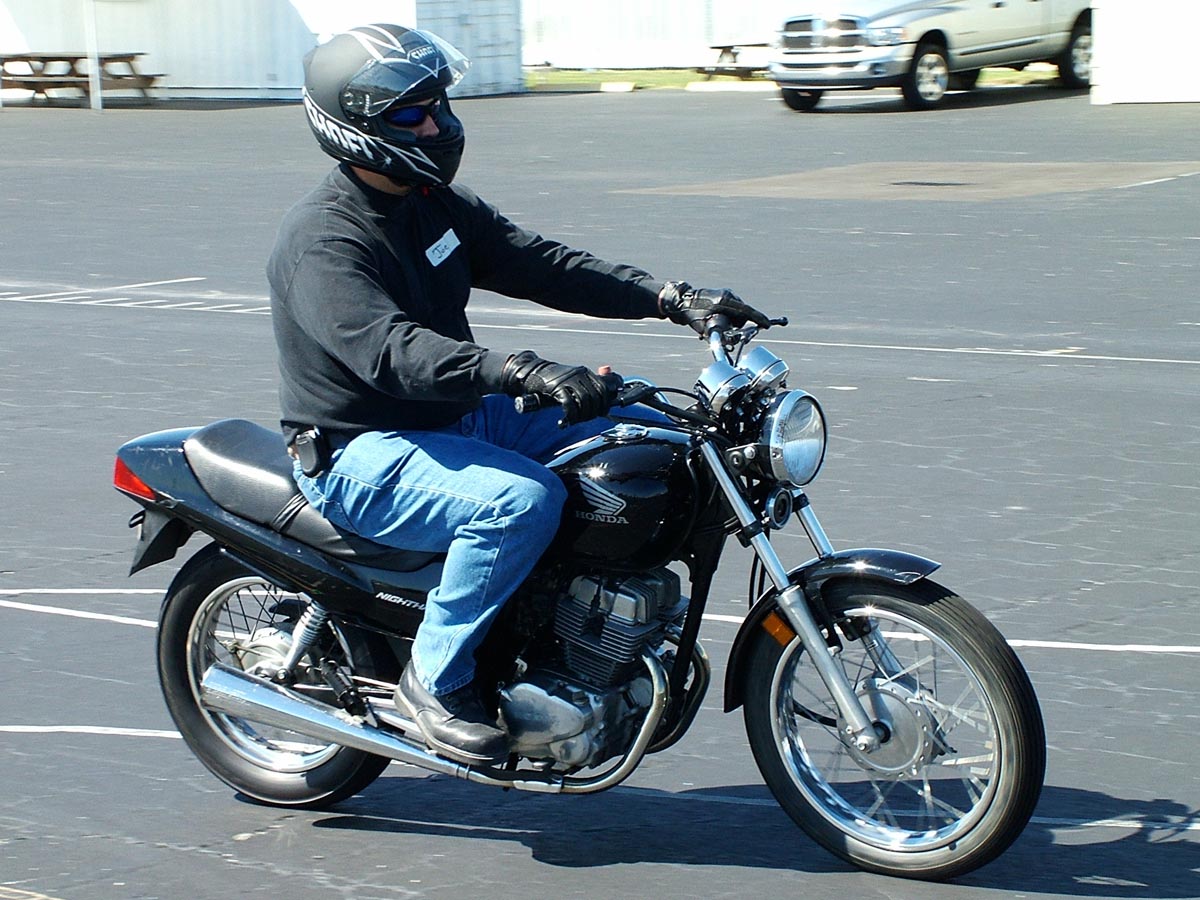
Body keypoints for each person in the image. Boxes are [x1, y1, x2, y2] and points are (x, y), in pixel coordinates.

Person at [268, 23, 770, 766]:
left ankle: (579, 626)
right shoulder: (324, 239)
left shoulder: (431, 202)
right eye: (413, 114)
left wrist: (671, 297)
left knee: (651, 432)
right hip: (359, 450)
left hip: (455, 416)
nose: (437, 124)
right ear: (356, 124)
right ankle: (434, 682)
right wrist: (522, 372)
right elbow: (392, 353)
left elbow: (541, 264)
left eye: (439, 105)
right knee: (520, 502)